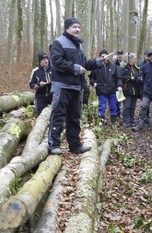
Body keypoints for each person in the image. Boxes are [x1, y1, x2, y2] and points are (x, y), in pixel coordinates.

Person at [48, 17, 104, 155]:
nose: (77, 29)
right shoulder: (58, 43)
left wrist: (97, 62)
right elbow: (56, 62)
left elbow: (84, 65)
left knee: (74, 117)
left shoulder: (79, 46)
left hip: (76, 87)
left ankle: (75, 145)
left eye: (78, 27)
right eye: (74, 27)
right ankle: (53, 145)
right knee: (58, 115)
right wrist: (74, 67)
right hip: (62, 86)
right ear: (67, 28)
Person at [89, 49, 121, 128]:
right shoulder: (96, 67)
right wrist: (93, 83)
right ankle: (101, 123)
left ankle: (113, 122)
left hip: (112, 90)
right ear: (100, 57)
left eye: (106, 56)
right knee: (102, 107)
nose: (104, 58)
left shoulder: (113, 67)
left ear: (108, 57)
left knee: (113, 107)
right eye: (102, 56)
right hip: (101, 90)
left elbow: (118, 78)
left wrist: (119, 86)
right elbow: (91, 78)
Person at [119, 53, 143, 129]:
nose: (136, 60)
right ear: (130, 59)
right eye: (135, 58)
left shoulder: (137, 68)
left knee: (132, 107)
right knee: (127, 106)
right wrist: (130, 78)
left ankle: (132, 121)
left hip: (135, 90)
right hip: (127, 90)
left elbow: (139, 76)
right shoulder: (124, 67)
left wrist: (139, 79)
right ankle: (126, 121)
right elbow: (121, 77)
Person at [28, 51, 53, 115]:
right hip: (40, 97)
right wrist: (39, 84)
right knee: (40, 115)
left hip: (52, 96)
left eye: (47, 59)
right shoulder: (35, 71)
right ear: (40, 61)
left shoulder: (53, 70)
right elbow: (31, 85)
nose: (46, 61)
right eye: (44, 59)